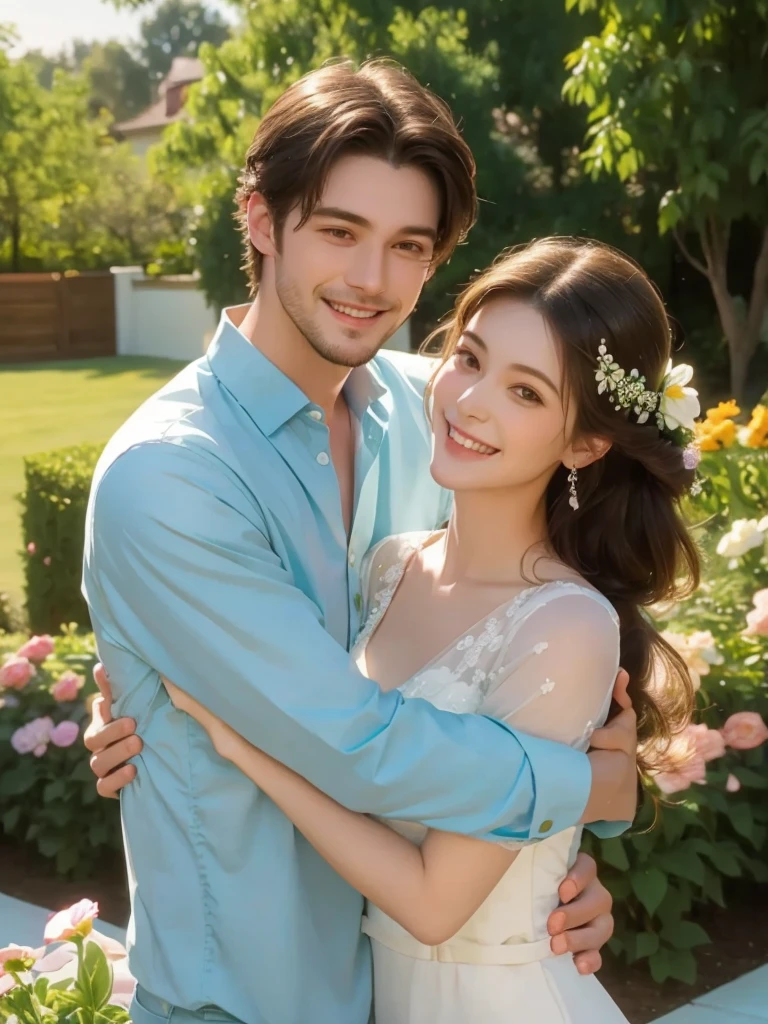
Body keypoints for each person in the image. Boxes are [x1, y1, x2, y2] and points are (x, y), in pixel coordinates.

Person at [81, 61, 638, 1024]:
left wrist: (543, 869)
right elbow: (358, 743)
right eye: (339, 232)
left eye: (408, 245)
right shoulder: (169, 478)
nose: (371, 281)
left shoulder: (442, 414)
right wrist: (586, 786)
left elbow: (552, 633)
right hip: (246, 999)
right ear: (260, 219)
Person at [151, 236, 700, 1023]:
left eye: (527, 393)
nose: (471, 401)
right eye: (470, 359)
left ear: (586, 441)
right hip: (374, 995)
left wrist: (237, 737)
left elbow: (436, 903)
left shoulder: (566, 626)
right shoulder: (388, 566)